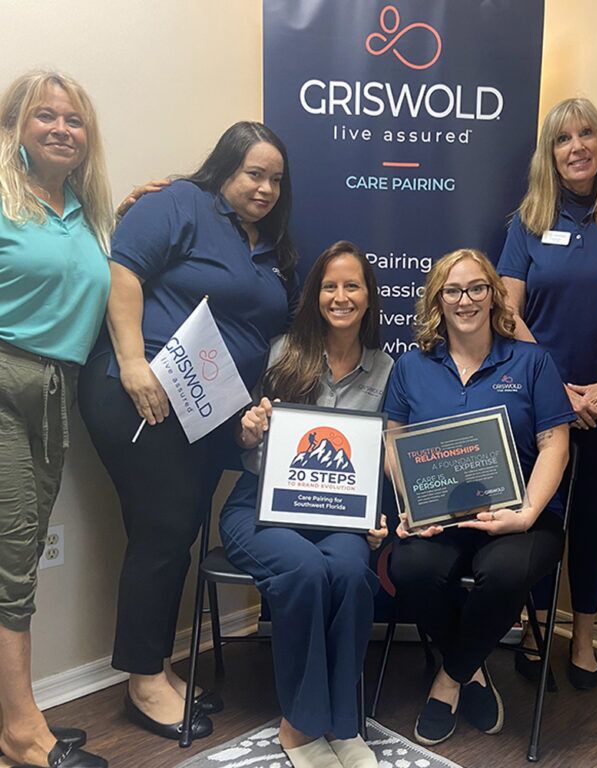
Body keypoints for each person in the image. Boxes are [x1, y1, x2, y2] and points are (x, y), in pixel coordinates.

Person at [78, 121, 300, 741]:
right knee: (165, 529)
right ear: (224, 167)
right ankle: (143, 681)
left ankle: (156, 667)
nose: (264, 187)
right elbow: (123, 272)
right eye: (253, 173)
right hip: (143, 393)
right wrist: (130, 363)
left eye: (275, 179)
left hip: (206, 410)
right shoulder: (177, 202)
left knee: (174, 533)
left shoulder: (266, 245)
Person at [383, 248, 574, 746]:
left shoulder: (532, 361)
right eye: (452, 290)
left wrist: (528, 512)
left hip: (520, 513)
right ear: (437, 301)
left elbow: (556, 443)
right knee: (411, 568)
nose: (465, 300)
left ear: (493, 294)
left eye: (476, 288)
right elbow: (393, 441)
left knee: (507, 571)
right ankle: (471, 671)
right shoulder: (411, 366)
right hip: (439, 516)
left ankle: (448, 679)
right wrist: (410, 504)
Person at [219, 241, 393, 768]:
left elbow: (384, 456)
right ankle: (298, 727)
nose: (340, 296)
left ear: (368, 297)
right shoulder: (280, 352)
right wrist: (248, 431)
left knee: (349, 570)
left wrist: (377, 514)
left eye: (352, 285)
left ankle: (343, 725)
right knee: (303, 570)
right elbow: (243, 436)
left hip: (339, 518)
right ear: (316, 294)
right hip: (260, 509)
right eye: (330, 285)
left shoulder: (386, 370)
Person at [496, 98, 597, 689]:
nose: (577, 146)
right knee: (541, 513)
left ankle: (582, 639)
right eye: (563, 138)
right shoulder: (527, 222)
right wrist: (559, 389)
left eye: (587, 134)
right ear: (549, 154)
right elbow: (508, 311)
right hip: (540, 394)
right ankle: (535, 631)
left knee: (588, 515)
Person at [0, 71, 111, 768]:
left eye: (74, 120)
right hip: (6, 380)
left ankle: (19, 716)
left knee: (22, 554)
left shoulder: (84, 211)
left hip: (55, 389)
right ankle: (19, 732)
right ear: (16, 126)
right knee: (13, 561)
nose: (62, 129)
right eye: (46, 117)